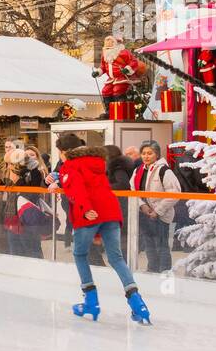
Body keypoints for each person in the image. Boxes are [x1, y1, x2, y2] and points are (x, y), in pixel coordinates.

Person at [52, 131, 150, 324]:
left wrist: (86, 208)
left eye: (59, 152)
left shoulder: (69, 165)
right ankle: (137, 302)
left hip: (89, 214)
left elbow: (77, 187)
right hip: (111, 212)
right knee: (116, 258)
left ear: (64, 152)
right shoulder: (96, 162)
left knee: (80, 254)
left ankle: (91, 301)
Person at [129, 140, 180, 274]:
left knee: (161, 246)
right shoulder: (138, 170)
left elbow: (174, 193)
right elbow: (132, 190)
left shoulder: (164, 170)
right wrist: (142, 206)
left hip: (161, 215)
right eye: (144, 153)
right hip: (144, 214)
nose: (146, 156)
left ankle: (164, 271)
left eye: (150, 153)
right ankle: (152, 269)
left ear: (156, 155)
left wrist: (157, 211)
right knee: (149, 245)